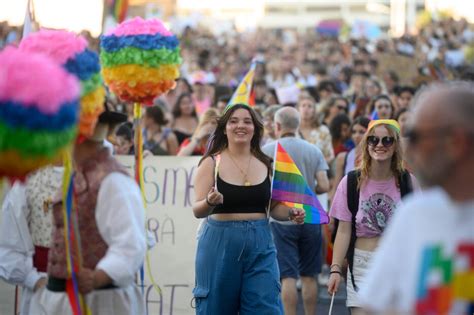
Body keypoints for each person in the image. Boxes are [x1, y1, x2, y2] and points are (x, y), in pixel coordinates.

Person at [360, 82, 474, 314]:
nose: (407, 148)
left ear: (456, 142)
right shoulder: (414, 213)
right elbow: (377, 306)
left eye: (414, 136)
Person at [28, 108, 147, 314]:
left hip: (99, 303)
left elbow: (131, 245)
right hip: (65, 301)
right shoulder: (76, 173)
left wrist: (98, 277)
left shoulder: (113, 181)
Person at [192, 103, 305, 314]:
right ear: (224, 128)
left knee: (265, 306)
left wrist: (290, 213)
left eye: (247, 121)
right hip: (219, 245)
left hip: (261, 244)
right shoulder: (210, 163)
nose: (240, 126)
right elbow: (198, 209)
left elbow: (273, 207)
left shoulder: (266, 162)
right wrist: (209, 202)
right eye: (233, 121)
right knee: (215, 308)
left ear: (255, 128)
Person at [327, 119, 418, 314]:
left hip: (397, 263)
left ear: (396, 146)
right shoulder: (351, 182)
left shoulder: (409, 182)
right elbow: (343, 231)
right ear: (366, 144)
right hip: (361, 265)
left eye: (387, 140)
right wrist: (335, 269)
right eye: (373, 140)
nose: (379, 145)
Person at [262, 107, 330, 315]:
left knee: (287, 276)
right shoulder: (313, 150)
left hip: (281, 220)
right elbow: (325, 185)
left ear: (277, 126)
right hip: (310, 217)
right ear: (298, 125)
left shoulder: (267, 151)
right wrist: (308, 188)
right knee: (309, 276)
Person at [330, 116, 371, 200]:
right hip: (347, 202)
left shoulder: (375, 157)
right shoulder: (343, 157)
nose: (356, 135)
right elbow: (336, 187)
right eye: (354, 132)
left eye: (361, 132)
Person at [297, 93, 335, 164]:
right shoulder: (292, 130)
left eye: (310, 106)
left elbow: (330, 156)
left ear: (314, 111)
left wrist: (317, 166)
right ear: (298, 109)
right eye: (303, 105)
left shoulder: (323, 130)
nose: (306, 109)